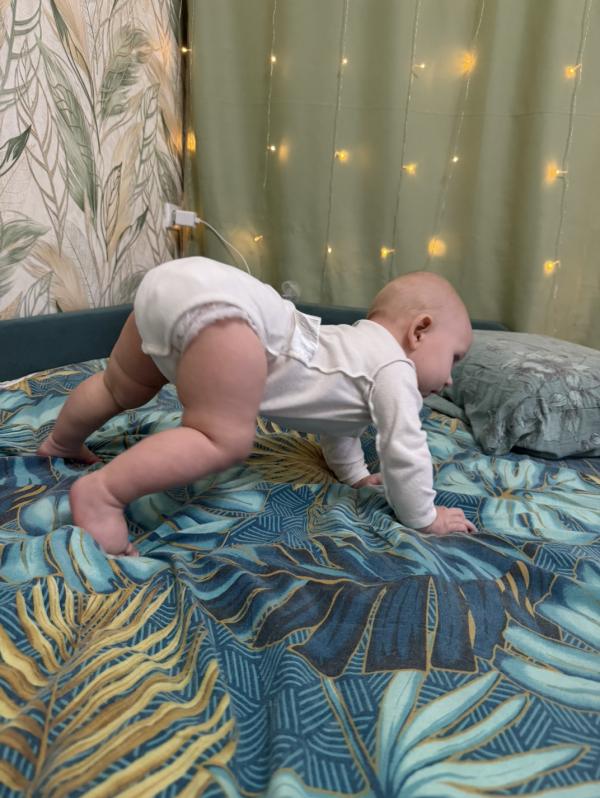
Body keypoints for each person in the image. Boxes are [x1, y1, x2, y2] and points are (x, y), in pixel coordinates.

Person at [37, 257, 476, 555]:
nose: (450, 379)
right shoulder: (394, 368)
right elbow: (404, 449)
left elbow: (338, 424)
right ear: (420, 330)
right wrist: (425, 518)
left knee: (118, 387)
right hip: (228, 313)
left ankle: (62, 441)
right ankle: (103, 495)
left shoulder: (356, 354)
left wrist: (355, 475)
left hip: (169, 284)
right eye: (454, 358)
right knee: (220, 438)